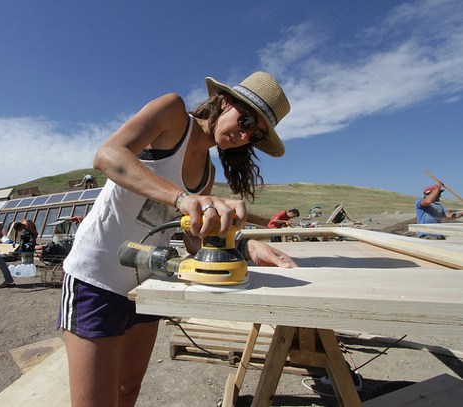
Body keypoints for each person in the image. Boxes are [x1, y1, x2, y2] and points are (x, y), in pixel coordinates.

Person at [57, 71, 298, 406]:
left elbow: (193, 240)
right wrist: (182, 197)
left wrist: (243, 244)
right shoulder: (173, 115)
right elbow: (108, 155)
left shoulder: (208, 172)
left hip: (146, 284)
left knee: (128, 390)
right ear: (225, 101)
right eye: (245, 120)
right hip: (96, 278)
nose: (244, 135)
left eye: (255, 134)